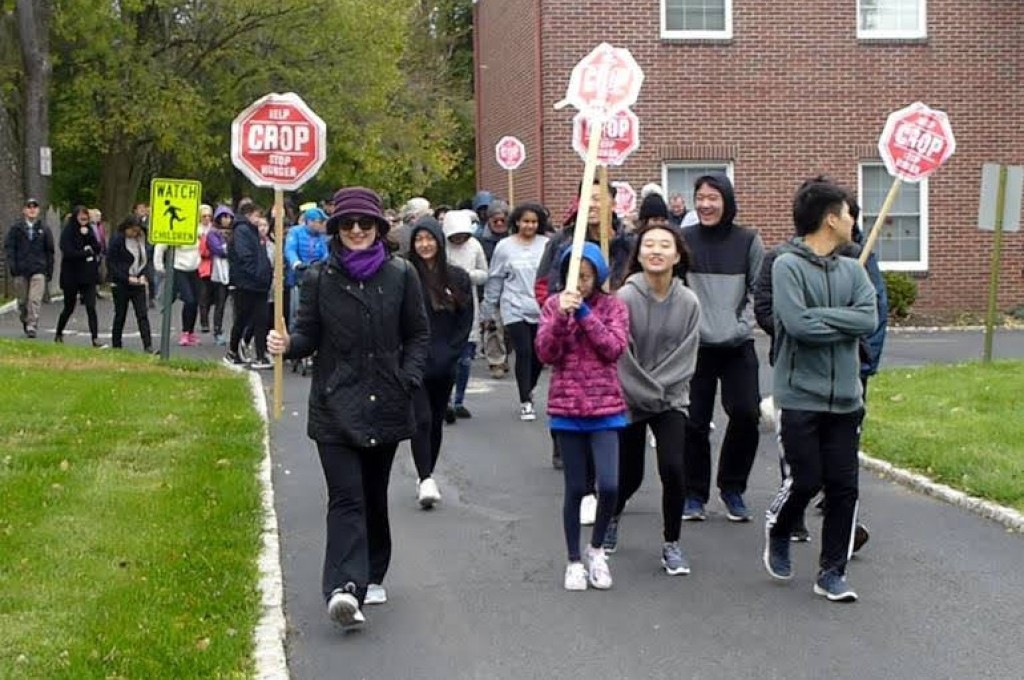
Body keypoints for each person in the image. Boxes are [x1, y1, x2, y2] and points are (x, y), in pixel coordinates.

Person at [266, 186, 429, 629]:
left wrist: (408, 376)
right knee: (346, 498)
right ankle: (342, 588)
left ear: (379, 228)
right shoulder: (319, 278)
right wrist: (286, 345)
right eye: (348, 224)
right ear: (336, 229)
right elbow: (306, 337)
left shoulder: (401, 275)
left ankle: (374, 571)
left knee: (374, 495)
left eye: (365, 223)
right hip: (335, 404)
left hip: (387, 401)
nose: (357, 230)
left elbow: (418, 333)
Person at [763, 178, 877, 603]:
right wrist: (841, 319)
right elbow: (796, 325)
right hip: (799, 396)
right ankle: (779, 527)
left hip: (847, 399)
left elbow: (869, 319)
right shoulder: (785, 264)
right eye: (848, 213)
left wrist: (824, 318)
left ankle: (832, 572)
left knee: (845, 487)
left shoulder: (853, 268)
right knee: (806, 479)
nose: (853, 222)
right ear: (831, 218)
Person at [606, 213, 701, 577]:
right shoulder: (625, 297)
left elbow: (687, 356)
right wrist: (644, 391)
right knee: (628, 476)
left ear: (678, 255)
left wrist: (660, 392)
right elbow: (621, 354)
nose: (657, 251)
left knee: (674, 469)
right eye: (649, 245)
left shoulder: (689, 301)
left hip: (671, 400)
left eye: (665, 245)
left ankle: (672, 543)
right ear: (639, 254)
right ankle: (612, 515)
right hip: (630, 398)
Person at [536, 242, 629, 591]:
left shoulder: (613, 307)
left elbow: (613, 349)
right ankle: (573, 559)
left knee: (609, 484)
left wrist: (586, 316)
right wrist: (561, 317)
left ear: (599, 276)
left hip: (606, 408)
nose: (583, 283)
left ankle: (596, 550)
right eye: (577, 277)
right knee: (575, 487)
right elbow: (547, 352)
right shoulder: (552, 306)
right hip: (567, 409)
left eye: (589, 277)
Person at [680, 173, 765, 523]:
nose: (705, 204)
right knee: (693, 422)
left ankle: (733, 488)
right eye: (699, 197)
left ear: (727, 201)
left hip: (737, 343)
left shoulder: (748, 240)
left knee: (746, 413)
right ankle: (693, 494)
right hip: (695, 345)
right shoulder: (683, 240)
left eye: (713, 197)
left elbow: (760, 289)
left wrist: (741, 325)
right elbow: (674, 288)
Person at [406, 216, 473, 507]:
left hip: (445, 361)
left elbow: (465, 317)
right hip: (413, 359)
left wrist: (453, 351)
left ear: (439, 240)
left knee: (435, 421)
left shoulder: (457, 277)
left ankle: (426, 472)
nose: (424, 245)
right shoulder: (405, 274)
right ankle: (425, 478)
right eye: (419, 239)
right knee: (420, 419)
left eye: (429, 238)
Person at [482, 203, 550, 420]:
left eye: (533, 222)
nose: (529, 225)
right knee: (524, 351)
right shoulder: (505, 246)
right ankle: (525, 401)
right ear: (517, 222)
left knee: (539, 354)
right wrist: (489, 308)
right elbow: (495, 278)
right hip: (513, 305)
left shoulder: (547, 244)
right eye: (525, 221)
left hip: (540, 305)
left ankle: (528, 386)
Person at [442, 209, 489, 419]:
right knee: (447, 358)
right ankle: (447, 399)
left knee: (465, 360)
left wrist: (467, 276)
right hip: (445, 304)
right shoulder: (442, 247)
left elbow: (484, 273)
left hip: (468, 302)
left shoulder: (474, 246)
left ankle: (459, 399)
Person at [225, 202, 272, 369]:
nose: (259, 220)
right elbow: (246, 257)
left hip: (257, 284)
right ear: (248, 215)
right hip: (246, 283)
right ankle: (232, 351)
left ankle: (260, 355)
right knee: (243, 318)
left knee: (260, 319)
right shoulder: (242, 231)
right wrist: (259, 274)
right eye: (257, 215)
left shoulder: (252, 232)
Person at [55, 206, 106, 347]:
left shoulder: (89, 230)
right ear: (76, 216)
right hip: (71, 274)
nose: (84, 219)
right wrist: (85, 253)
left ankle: (95, 338)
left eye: (86, 216)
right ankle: (59, 332)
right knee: (69, 307)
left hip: (87, 275)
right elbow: (68, 251)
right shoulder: (68, 231)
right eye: (81, 216)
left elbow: (97, 247)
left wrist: (88, 237)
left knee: (91, 306)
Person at [4, 198, 54, 338]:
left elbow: (49, 251)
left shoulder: (44, 229)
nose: (32, 210)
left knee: (34, 299)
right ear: (24, 210)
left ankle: (32, 324)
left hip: (38, 269)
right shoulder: (16, 229)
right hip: (21, 269)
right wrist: (13, 266)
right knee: (23, 300)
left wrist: (48, 269)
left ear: (38, 210)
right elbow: (10, 248)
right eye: (29, 207)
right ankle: (25, 316)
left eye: (35, 207)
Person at [476, 199, 512, 379]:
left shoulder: (515, 237)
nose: (499, 224)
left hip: (513, 288)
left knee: (509, 328)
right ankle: (496, 361)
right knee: (492, 325)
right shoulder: (481, 240)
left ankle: (506, 354)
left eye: (502, 220)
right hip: (491, 288)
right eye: (494, 220)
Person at [107, 214, 153, 352]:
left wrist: (144, 275)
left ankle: (148, 345)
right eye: (132, 230)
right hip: (121, 283)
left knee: (142, 314)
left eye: (136, 231)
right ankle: (116, 345)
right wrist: (126, 277)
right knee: (120, 314)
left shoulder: (142, 239)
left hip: (138, 282)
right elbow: (111, 263)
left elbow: (145, 260)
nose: (134, 233)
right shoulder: (118, 240)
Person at [154, 230, 202, 347]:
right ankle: (185, 333)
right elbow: (160, 247)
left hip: (195, 269)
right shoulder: (177, 230)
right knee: (189, 300)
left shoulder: (199, 230)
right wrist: (159, 266)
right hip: (179, 268)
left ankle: (190, 332)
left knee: (195, 302)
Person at [284, 207, 329, 329]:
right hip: (298, 277)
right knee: (296, 310)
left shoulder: (322, 236)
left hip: (316, 276)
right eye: (320, 222)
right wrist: (296, 263)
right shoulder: (295, 232)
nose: (321, 225)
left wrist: (322, 263)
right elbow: (290, 249)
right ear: (310, 221)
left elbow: (326, 253)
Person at [206, 205, 234, 345]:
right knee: (220, 303)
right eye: (224, 217)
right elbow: (218, 250)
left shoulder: (234, 232)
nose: (226, 220)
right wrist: (230, 249)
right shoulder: (213, 233)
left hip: (233, 270)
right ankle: (217, 330)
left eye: (229, 217)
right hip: (219, 271)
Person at [196, 205, 215, 333]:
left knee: (211, 296)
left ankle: (206, 315)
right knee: (203, 295)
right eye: (204, 216)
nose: (207, 218)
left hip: (214, 266)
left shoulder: (214, 229)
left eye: (209, 216)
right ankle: (204, 322)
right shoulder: (196, 230)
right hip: (201, 265)